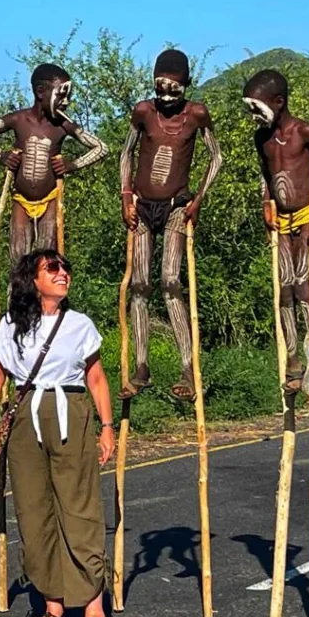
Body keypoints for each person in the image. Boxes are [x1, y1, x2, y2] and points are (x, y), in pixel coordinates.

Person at [0, 250, 116, 617]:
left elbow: (97, 379)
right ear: (32, 280)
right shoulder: (11, 325)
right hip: (26, 418)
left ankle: (93, 609)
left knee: (79, 509)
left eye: (65, 268)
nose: (62, 274)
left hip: (70, 411)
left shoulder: (79, 325)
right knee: (34, 512)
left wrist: (106, 429)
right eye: (52, 269)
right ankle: (52, 607)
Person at [117, 49, 223, 402]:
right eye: (160, 85)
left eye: (173, 87)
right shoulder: (143, 112)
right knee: (139, 283)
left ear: (185, 84)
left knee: (170, 281)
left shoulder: (197, 115)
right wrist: (126, 194)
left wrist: (198, 200)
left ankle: (188, 367)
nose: (165, 93)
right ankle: (142, 366)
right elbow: (126, 153)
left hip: (177, 206)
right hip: (143, 208)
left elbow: (216, 157)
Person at [243, 69, 309, 398]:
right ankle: (294, 361)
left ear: (279, 102)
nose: (253, 116)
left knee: (304, 291)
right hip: (280, 224)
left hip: (306, 219)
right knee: (283, 291)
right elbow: (265, 176)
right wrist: (265, 204)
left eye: (258, 108)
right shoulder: (262, 139)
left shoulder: (304, 132)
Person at [0, 64, 107, 265]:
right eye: (61, 95)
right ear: (40, 92)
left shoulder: (64, 126)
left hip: (50, 201)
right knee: (18, 259)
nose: (66, 102)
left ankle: (43, 296)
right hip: (21, 200)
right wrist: (1, 155)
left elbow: (101, 147)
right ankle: (17, 296)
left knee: (45, 259)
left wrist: (72, 165)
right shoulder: (19, 119)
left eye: (68, 96)